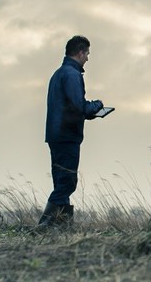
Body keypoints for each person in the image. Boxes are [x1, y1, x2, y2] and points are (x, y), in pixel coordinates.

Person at [37, 35, 104, 228]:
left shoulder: (58, 74)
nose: (88, 59)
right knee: (67, 182)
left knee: (62, 182)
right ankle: (45, 225)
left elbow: (70, 106)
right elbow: (79, 106)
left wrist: (88, 112)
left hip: (56, 135)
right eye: (87, 54)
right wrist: (98, 105)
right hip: (67, 136)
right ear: (80, 52)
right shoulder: (72, 74)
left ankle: (63, 227)